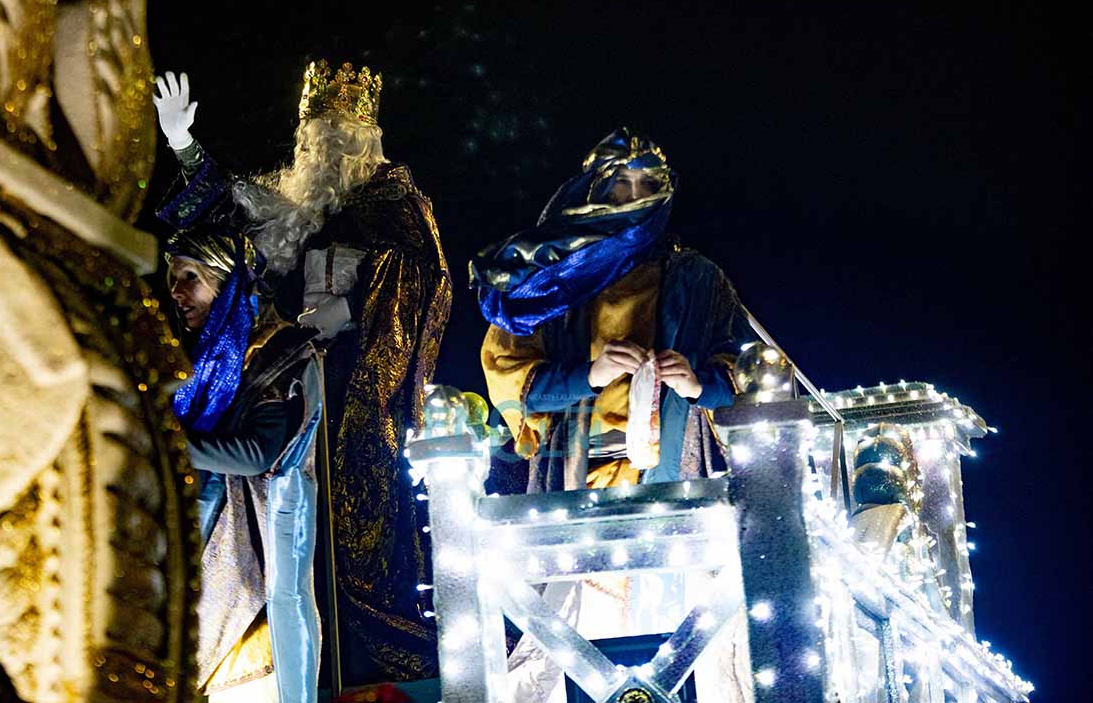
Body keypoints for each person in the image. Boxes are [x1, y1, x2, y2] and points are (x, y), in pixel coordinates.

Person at [153, 62, 451, 686]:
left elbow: (422, 284)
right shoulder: (298, 207)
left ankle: (373, 675)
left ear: (364, 140)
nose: (322, 150)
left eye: (337, 135)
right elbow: (229, 215)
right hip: (296, 376)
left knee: (358, 538)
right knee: (290, 541)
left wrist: (352, 312)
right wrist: (183, 144)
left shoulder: (398, 205)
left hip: (361, 392)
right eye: (314, 137)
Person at [470, 128, 755, 702]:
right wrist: (590, 375)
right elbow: (516, 380)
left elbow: (741, 376)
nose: (634, 197)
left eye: (647, 185)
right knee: (557, 637)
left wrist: (696, 383)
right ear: (594, 189)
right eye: (621, 184)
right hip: (576, 484)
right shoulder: (553, 282)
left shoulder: (698, 278)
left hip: (676, 480)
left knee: (706, 635)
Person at [162, 225, 326, 703]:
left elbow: (258, 454)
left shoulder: (278, 352)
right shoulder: (200, 363)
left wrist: (165, 440)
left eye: (190, 278)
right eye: (173, 280)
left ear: (227, 280)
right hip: (207, 552)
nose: (176, 293)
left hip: (254, 556)